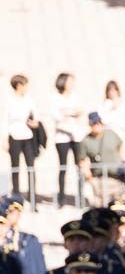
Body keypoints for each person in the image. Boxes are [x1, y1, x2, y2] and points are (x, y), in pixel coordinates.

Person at [77, 112, 125, 198]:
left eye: (98, 123)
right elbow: (82, 161)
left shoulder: (111, 133)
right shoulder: (85, 141)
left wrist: (122, 159)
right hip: (100, 174)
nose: (97, 125)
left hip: (117, 171)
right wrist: (89, 177)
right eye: (94, 123)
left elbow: (120, 146)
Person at [51, 73, 85, 207]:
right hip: (62, 137)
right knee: (63, 167)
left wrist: (68, 113)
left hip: (76, 136)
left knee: (80, 167)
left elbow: (80, 111)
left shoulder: (76, 96)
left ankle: (80, 196)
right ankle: (61, 197)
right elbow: (57, 116)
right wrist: (71, 113)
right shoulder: (55, 98)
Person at [4, 75, 41, 197]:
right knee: (15, 166)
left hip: (28, 136)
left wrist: (35, 123)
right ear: (19, 85)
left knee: (31, 166)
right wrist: (5, 139)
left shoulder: (29, 99)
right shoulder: (8, 100)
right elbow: (5, 120)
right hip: (14, 135)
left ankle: (32, 195)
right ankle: (16, 194)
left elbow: (36, 116)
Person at [100, 80, 125, 156]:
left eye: (114, 90)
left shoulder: (124, 104)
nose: (112, 92)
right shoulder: (104, 104)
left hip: (121, 133)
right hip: (109, 134)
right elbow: (103, 120)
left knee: (123, 155)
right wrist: (111, 108)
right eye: (109, 90)